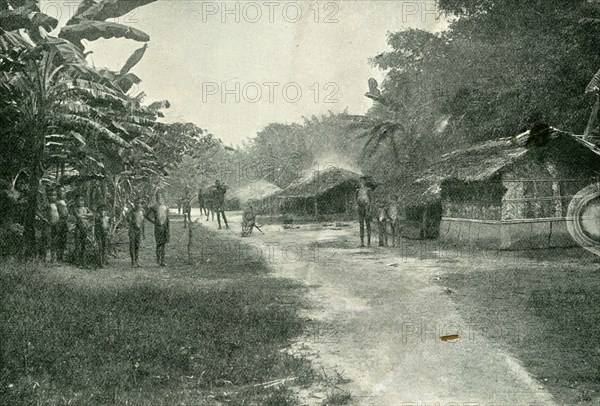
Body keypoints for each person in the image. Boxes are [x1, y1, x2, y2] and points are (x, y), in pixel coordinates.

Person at [146, 192, 170, 266]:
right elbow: (146, 215)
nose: (160, 199)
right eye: (158, 197)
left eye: (161, 197)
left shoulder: (166, 208)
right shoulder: (154, 207)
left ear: (163, 198)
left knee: (163, 245)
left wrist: (168, 229)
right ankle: (158, 260)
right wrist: (154, 222)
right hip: (158, 227)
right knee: (158, 244)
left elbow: (167, 219)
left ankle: (162, 261)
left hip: (164, 227)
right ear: (156, 199)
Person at [75, 195, 94, 268]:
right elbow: (78, 216)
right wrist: (86, 216)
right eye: (79, 200)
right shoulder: (76, 208)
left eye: (82, 200)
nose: (81, 202)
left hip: (85, 229)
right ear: (76, 201)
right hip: (79, 229)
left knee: (84, 246)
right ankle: (78, 263)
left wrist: (84, 215)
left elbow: (91, 214)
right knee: (78, 246)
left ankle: (84, 262)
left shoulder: (86, 208)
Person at [43, 189, 61, 263]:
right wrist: (45, 219)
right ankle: (47, 259)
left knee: (55, 241)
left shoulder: (57, 204)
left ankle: (54, 259)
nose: (53, 197)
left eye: (54, 195)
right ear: (48, 196)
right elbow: (41, 212)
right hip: (49, 224)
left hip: (56, 224)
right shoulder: (47, 205)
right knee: (48, 241)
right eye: (51, 195)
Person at [126, 197, 145, 267]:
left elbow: (143, 223)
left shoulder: (142, 212)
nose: (138, 205)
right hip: (132, 230)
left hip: (139, 230)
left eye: (140, 203)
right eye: (137, 203)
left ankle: (136, 261)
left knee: (137, 246)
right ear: (134, 204)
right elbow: (128, 220)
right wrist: (132, 221)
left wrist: (143, 232)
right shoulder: (131, 212)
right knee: (132, 246)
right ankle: (133, 261)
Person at [356, 177, 373, 247]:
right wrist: (357, 205)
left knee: (368, 225)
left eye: (362, 181)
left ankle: (369, 242)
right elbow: (356, 199)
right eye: (360, 181)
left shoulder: (368, 190)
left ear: (365, 182)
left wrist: (370, 209)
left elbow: (371, 200)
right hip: (360, 208)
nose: (361, 183)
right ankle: (362, 242)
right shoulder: (357, 190)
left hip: (367, 208)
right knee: (361, 225)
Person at [56, 186, 69, 262]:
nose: (62, 193)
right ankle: (57, 257)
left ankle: (61, 257)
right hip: (59, 222)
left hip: (64, 222)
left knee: (63, 239)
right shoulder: (57, 202)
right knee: (58, 239)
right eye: (61, 191)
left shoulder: (65, 201)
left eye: (64, 191)